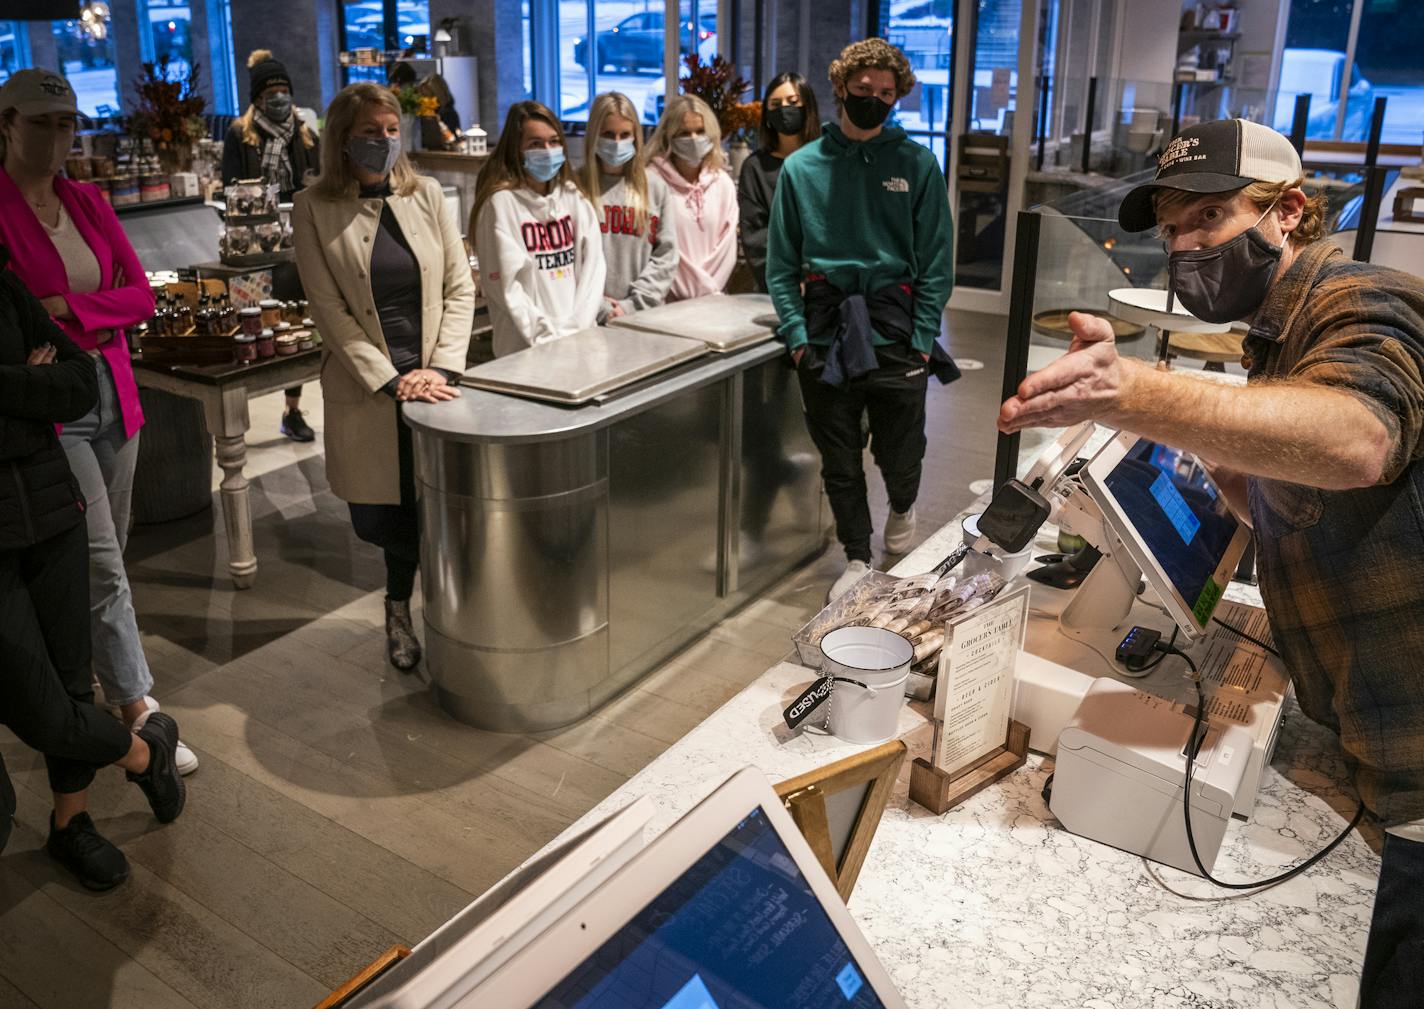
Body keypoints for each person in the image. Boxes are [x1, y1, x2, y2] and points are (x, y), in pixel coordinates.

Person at [996, 117, 1424, 1009]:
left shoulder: (1363, 299)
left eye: (1211, 218)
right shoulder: (1275, 338)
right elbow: (1307, 508)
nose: (1187, 247)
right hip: (1363, 739)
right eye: (1173, 229)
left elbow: (1356, 441)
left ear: (1289, 212)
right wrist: (1210, 461)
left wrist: (1136, 393)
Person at [0, 69, 199, 775]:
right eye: (42, 122)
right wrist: (65, 315)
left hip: (115, 394)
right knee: (103, 562)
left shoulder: (84, 200)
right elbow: (14, 324)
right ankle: (137, 707)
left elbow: (140, 297)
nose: (58, 137)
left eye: (67, 124)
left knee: (113, 545)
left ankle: (78, 687)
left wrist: (68, 313)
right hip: (55, 415)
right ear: (7, 124)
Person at [0, 241, 186, 891]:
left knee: (73, 681)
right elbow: (51, 393)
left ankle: (71, 822)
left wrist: (19, 393)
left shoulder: (5, 284)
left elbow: (77, 381)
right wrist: (30, 389)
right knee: (39, 705)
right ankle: (142, 751)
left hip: (53, 513)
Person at [765, 39, 955, 601]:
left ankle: (902, 504)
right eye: (863, 90)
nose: (873, 100)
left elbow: (937, 263)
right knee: (839, 455)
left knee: (901, 450)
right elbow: (780, 267)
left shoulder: (917, 164)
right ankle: (855, 555)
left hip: (895, 325)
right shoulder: (802, 168)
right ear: (841, 87)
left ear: (898, 98)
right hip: (825, 326)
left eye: (886, 94)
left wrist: (922, 339)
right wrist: (798, 340)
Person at [294, 82, 474, 671]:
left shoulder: (426, 195)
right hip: (368, 389)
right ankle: (398, 607)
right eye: (371, 132)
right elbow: (329, 312)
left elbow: (458, 286)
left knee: (438, 509)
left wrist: (439, 366)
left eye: (392, 131)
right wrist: (392, 378)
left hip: (436, 384)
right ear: (343, 140)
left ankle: (443, 617)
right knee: (384, 518)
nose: (385, 142)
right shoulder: (313, 208)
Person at [222, 48, 321, 443]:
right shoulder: (239, 134)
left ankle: (292, 410)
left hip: (298, 243)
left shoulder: (305, 131)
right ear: (258, 98)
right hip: (253, 245)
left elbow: (317, 181)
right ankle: (234, 416)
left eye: (284, 90)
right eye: (272, 92)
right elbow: (230, 189)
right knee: (254, 326)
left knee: (294, 324)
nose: (280, 97)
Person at [471, 101, 605, 356]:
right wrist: (548, 338)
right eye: (535, 144)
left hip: (581, 342)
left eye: (554, 141)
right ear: (516, 150)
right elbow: (507, 287)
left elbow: (594, 270)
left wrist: (577, 329)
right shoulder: (501, 204)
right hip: (525, 349)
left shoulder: (573, 197)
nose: (548, 150)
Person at [581, 91, 678, 322]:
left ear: (636, 136)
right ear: (594, 135)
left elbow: (666, 256)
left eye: (625, 134)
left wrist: (632, 304)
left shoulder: (655, 187)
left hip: (643, 316)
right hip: (587, 317)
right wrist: (599, 305)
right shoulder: (575, 187)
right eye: (608, 134)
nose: (617, 143)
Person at [646, 94, 738, 300]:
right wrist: (695, 291)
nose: (694, 139)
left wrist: (706, 292)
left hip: (714, 300)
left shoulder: (722, 183)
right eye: (684, 133)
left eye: (700, 131)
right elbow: (658, 251)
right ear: (668, 136)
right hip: (665, 301)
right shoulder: (651, 182)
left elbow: (727, 248)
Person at [738, 72, 821, 292]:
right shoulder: (755, 168)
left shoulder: (828, 161)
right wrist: (787, 283)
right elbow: (756, 237)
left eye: (793, 102)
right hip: (778, 288)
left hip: (827, 286)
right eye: (775, 104)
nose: (784, 109)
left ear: (808, 107)